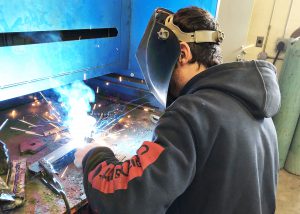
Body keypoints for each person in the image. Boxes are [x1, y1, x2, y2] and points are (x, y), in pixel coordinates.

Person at [74, 6, 280, 214]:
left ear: (182, 53)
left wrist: (93, 156)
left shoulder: (192, 112)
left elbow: (127, 201)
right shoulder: (255, 105)